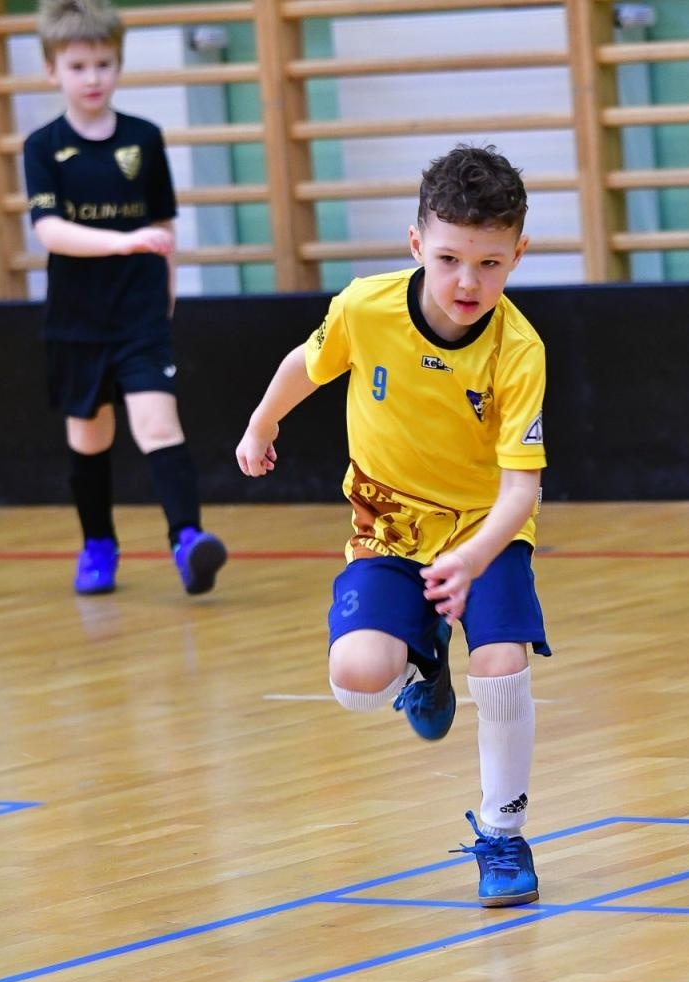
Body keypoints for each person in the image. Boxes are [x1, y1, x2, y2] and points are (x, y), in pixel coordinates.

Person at [235, 145, 549, 908]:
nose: (467, 282)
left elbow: (522, 490)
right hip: (389, 527)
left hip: (485, 531)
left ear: (517, 255)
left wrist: (473, 558)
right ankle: (421, 664)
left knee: (500, 663)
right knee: (356, 680)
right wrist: (262, 422)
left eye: (489, 264)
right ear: (416, 245)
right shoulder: (364, 308)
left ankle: (504, 835)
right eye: (449, 260)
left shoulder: (519, 351)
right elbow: (306, 364)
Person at [23, 0, 226, 597]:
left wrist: (165, 298)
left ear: (118, 65)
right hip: (76, 321)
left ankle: (188, 541)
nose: (93, 77)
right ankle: (98, 546)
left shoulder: (144, 138)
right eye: (78, 66)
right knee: (90, 437)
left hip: (139, 316)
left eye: (104, 64)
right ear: (52, 70)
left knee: (159, 424)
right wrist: (122, 241)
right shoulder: (43, 146)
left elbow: (163, 229)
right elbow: (49, 232)